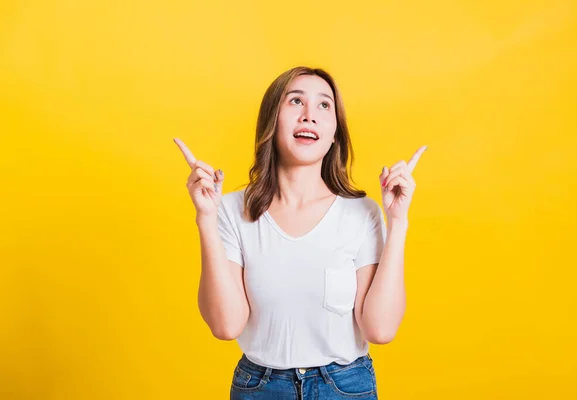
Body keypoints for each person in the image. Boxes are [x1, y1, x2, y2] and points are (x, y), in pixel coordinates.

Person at [174, 66, 427, 399]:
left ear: (335, 131)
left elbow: (380, 330)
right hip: (260, 388)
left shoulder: (362, 213)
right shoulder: (231, 210)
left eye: (324, 106)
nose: (310, 115)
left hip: (345, 388)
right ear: (272, 119)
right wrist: (206, 218)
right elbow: (225, 326)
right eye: (296, 101)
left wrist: (399, 223)